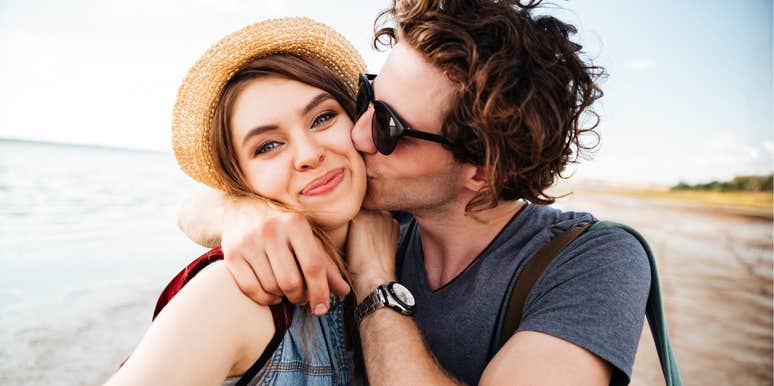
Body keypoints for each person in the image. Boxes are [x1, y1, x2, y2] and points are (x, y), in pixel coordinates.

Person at [179, 1, 652, 385]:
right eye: (368, 98)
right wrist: (244, 212)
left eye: (389, 126)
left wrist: (374, 282)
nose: (359, 136)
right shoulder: (372, 197)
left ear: (483, 171)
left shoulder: (594, 261)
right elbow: (188, 211)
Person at [107, 17, 372, 385]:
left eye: (323, 117)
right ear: (240, 180)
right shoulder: (231, 293)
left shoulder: (406, 229)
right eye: (268, 146)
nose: (308, 154)